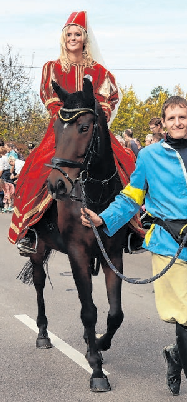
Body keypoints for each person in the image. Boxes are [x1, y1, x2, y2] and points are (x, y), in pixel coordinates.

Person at [81, 96, 187, 402]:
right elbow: (132, 196)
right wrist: (104, 218)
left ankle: (176, 354)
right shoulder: (148, 157)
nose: (178, 122)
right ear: (163, 122)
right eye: (171, 118)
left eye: (183, 117)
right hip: (166, 244)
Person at [8, 11, 137, 253]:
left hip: (92, 129)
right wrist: (68, 118)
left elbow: (106, 100)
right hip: (62, 129)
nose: (73, 38)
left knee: (127, 162)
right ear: (63, 38)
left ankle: (133, 229)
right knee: (35, 169)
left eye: (78, 34)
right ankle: (31, 230)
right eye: (69, 34)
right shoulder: (52, 68)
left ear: (85, 38)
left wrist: (95, 118)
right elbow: (50, 98)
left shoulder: (99, 71)